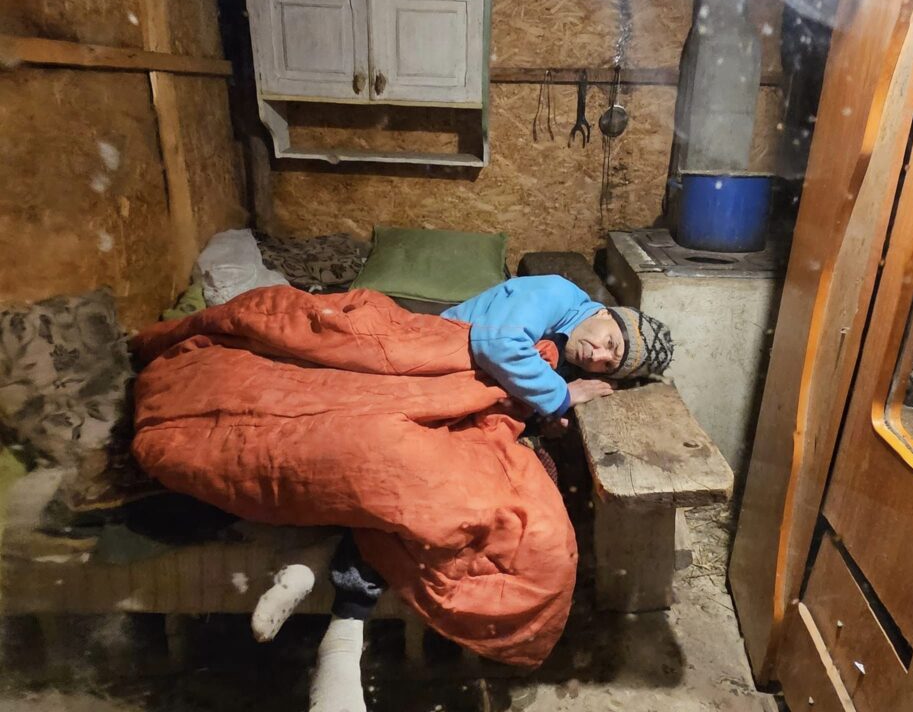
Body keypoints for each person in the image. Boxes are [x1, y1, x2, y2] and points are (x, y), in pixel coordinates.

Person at [249, 275, 674, 712]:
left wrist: (543, 415)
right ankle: (345, 625)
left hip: (476, 411)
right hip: (434, 370)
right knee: (413, 471)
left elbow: (520, 385)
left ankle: (318, 565)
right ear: (605, 314)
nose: (598, 355)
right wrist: (560, 396)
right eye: (609, 342)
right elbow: (499, 346)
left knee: (511, 516)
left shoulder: (570, 345)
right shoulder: (556, 294)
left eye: (607, 364)